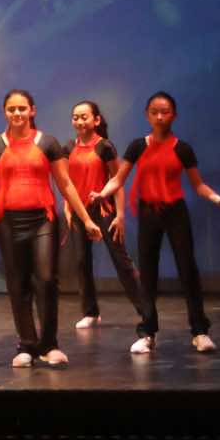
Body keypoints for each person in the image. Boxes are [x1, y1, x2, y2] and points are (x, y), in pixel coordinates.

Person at [0, 89, 103, 368]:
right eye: (11, 109)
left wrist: (86, 220)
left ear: (32, 110)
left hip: (42, 221)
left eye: (22, 108)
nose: (17, 113)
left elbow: (66, 184)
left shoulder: (47, 143)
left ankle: (49, 345)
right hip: (8, 223)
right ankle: (26, 345)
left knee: (45, 279)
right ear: (5, 112)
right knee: (18, 282)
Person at [94, 91, 220, 355]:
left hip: (175, 212)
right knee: (148, 272)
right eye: (154, 112)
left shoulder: (182, 149)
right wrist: (103, 193)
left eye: (165, 112)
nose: (160, 117)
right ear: (147, 115)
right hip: (148, 213)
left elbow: (198, 185)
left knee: (187, 270)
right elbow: (119, 179)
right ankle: (147, 332)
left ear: (174, 115)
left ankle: (200, 331)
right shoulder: (138, 146)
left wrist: (216, 198)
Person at [58, 100, 144, 331]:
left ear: (96, 120)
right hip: (80, 210)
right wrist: (68, 208)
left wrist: (120, 215)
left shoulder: (104, 146)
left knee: (121, 261)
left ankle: (145, 310)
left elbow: (118, 182)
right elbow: (66, 182)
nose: (79, 121)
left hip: (104, 208)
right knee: (81, 262)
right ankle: (90, 312)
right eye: (75, 117)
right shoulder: (68, 147)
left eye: (84, 116)